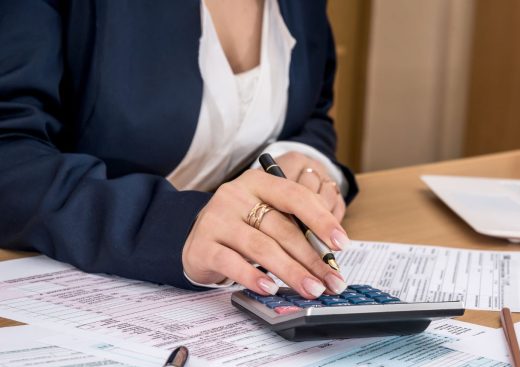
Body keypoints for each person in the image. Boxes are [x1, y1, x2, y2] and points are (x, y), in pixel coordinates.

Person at [0, 0, 357, 300]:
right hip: (74, 291)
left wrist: (301, 160)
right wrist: (177, 226)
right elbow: (10, 157)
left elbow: (312, 112)